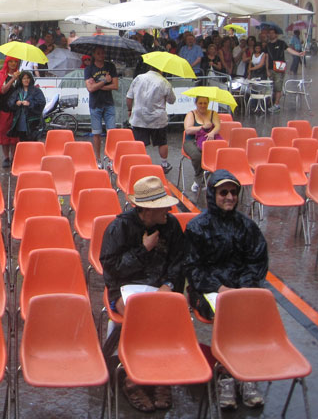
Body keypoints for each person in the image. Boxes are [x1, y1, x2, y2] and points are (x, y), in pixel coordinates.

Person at [184, 170, 269, 410]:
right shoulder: (197, 227)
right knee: (230, 313)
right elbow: (193, 267)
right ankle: (228, 374)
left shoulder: (247, 226)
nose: (229, 197)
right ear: (213, 195)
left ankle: (240, 372)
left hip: (240, 288)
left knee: (249, 309)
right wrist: (219, 288)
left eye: (233, 192)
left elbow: (257, 261)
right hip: (207, 290)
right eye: (223, 192)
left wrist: (241, 287)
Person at [100, 175, 185, 413]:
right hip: (124, 289)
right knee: (143, 318)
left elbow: (179, 261)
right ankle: (132, 378)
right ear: (147, 210)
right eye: (162, 208)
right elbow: (112, 268)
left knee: (169, 315)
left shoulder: (171, 225)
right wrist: (143, 250)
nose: (168, 210)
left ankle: (158, 375)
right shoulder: (120, 227)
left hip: (160, 287)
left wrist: (169, 283)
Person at [126, 66, 175, 173]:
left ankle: (139, 164)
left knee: (140, 143)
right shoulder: (164, 82)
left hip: (139, 117)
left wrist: (129, 110)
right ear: (160, 69)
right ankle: (164, 164)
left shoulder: (138, 78)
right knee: (162, 142)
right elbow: (172, 100)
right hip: (158, 119)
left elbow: (129, 97)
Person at [85, 45, 119, 163]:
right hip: (95, 104)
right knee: (96, 133)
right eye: (98, 53)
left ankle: (111, 158)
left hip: (108, 103)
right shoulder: (89, 69)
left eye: (103, 53)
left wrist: (98, 86)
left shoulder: (110, 66)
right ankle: (97, 158)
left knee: (111, 133)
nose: (101, 55)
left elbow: (115, 86)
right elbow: (90, 88)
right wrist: (104, 81)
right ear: (94, 55)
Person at [183, 96, 221, 194]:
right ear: (196, 103)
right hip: (191, 141)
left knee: (219, 153)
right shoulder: (191, 114)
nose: (203, 105)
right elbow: (188, 130)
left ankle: (214, 176)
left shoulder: (213, 113)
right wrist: (202, 127)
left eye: (205, 103)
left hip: (209, 140)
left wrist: (212, 132)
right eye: (200, 103)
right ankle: (199, 178)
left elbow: (217, 126)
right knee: (197, 155)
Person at [266, 26, 302, 112]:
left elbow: (289, 50)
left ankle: (277, 104)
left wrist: (298, 54)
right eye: (269, 33)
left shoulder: (281, 43)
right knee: (271, 87)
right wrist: (267, 69)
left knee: (278, 86)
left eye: (272, 33)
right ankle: (272, 103)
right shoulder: (267, 45)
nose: (271, 35)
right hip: (271, 68)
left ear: (276, 35)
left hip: (279, 68)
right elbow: (266, 57)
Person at [7, 70, 45, 141]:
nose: (26, 80)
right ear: (21, 80)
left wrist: (30, 104)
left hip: (33, 123)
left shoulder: (36, 91)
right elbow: (10, 102)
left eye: (28, 78)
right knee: (22, 142)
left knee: (33, 144)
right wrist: (16, 102)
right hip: (20, 122)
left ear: (30, 79)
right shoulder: (18, 91)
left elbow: (42, 103)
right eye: (24, 78)